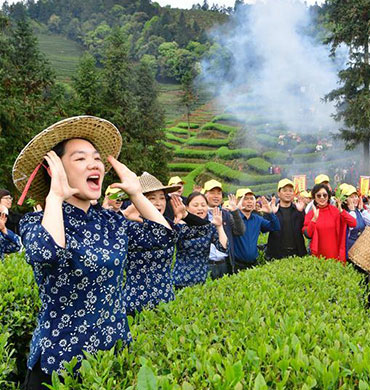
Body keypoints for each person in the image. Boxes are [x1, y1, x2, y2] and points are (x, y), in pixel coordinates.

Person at [13, 116, 175, 388]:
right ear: (55, 171)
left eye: (97, 158)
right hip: (59, 365)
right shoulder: (36, 222)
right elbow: (46, 253)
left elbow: (164, 237)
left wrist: (137, 194)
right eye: (80, 158)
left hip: (111, 355)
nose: (94, 164)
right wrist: (55, 197)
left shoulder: (110, 221)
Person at [122, 173, 210, 315]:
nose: (159, 203)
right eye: (151, 198)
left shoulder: (170, 228)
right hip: (134, 303)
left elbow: (205, 229)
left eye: (162, 198)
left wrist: (186, 215)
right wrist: (125, 214)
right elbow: (101, 233)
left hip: (165, 301)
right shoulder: (127, 227)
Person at [171, 192, 228, 288]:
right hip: (180, 280)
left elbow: (224, 247)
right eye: (195, 205)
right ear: (187, 208)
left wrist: (219, 226)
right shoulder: (180, 226)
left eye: (203, 205)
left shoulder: (209, 227)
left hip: (201, 281)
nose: (200, 208)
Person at [202, 179, 245, 278]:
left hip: (225, 263)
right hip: (206, 264)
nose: (216, 196)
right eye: (212, 193)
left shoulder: (226, 214)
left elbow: (240, 231)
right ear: (204, 195)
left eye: (219, 193)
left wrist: (235, 212)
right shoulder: (200, 215)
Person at [303, 183, 356, 262]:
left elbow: (353, 223)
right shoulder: (311, 214)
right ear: (314, 197)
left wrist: (341, 211)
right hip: (318, 257)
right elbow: (308, 234)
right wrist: (314, 219)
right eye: (319, 195)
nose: (322, 198)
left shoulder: (335, 211)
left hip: (335, 256)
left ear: (328, 197)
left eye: (325, 195)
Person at [232, 188, 280, 271]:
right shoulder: (232, 218)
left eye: (251, 199)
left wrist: (270, 213)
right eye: (246, 199)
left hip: (253, 264)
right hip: (237, 264)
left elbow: (275, 227)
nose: (249, 201)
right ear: (238, 201)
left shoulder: (257, 219)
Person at [266, 179, 307, 260]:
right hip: (277, 254)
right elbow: (265, 228)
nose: (288, 193)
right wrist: (271, 214)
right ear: (279, 193)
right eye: (284, 190)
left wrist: (301, 212)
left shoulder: (298, 209)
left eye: (291, 191)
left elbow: (304, 227)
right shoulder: (274, 210)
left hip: (297, 254)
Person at [342, 184, 370, 255]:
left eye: (356, 196)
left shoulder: (359, 211)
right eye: (352, 197)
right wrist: (352, 210)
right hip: (349, 248)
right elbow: (352, 225)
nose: (355, 199)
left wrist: (362, 209)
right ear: (345, 200)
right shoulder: (344, 213)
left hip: (360, 249)